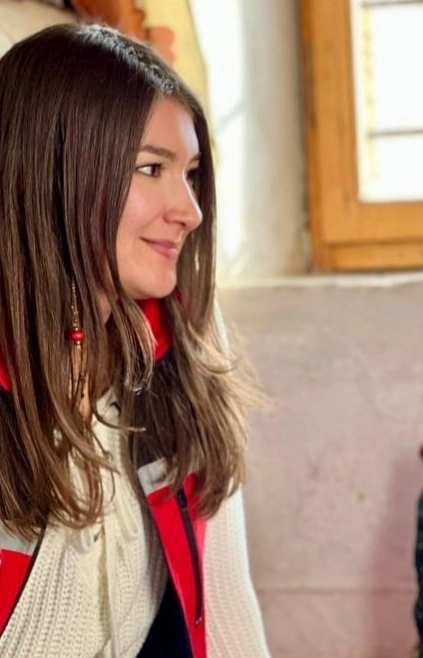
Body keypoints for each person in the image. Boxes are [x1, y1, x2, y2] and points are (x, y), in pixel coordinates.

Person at [0, 23, 269, 657]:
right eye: (152, 168)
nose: (190, 210)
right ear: (54, 174)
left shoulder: (182, 335)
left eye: (191, 173)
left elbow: (225, 606)